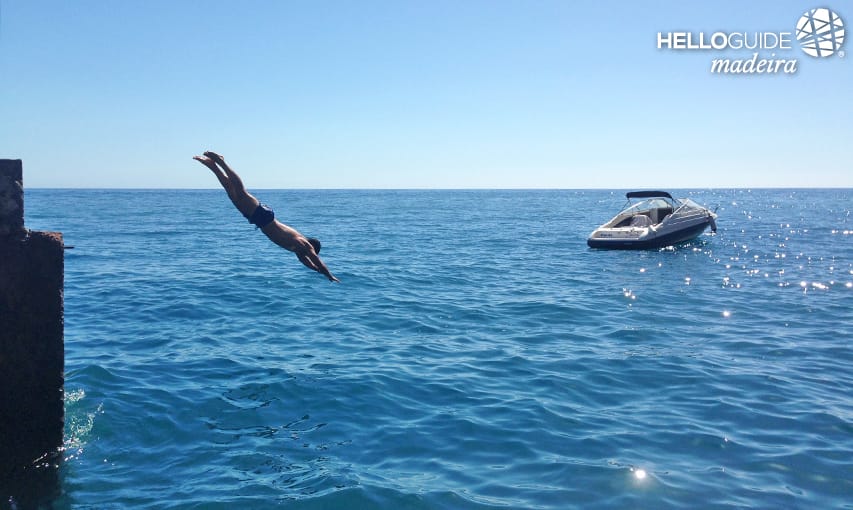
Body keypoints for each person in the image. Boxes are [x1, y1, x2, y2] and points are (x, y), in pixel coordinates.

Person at [193, 151, 340, 282]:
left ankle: (212, 166)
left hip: (259, 219)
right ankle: (221, 162)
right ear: (312, 247)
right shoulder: (304, 245)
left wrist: (320, 273)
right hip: (264, 217)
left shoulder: (298, 251)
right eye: (311, 252)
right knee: (240, 191)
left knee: (232, 194)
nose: (308, 255)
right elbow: (316, 260)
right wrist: (329, 274)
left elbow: (309, 263)